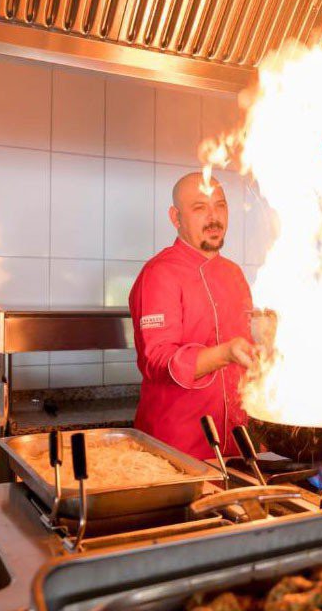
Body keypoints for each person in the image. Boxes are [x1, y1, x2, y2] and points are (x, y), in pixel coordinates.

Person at [129, 172, 256, 458]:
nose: (214, 217)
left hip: (238, 445)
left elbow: (248, 349)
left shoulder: (234, 274)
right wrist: (225, 353)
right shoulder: (159, 274)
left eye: (220, 206)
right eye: (200, 208)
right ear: (176, 218)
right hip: (178, 446)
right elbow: (157, 361)